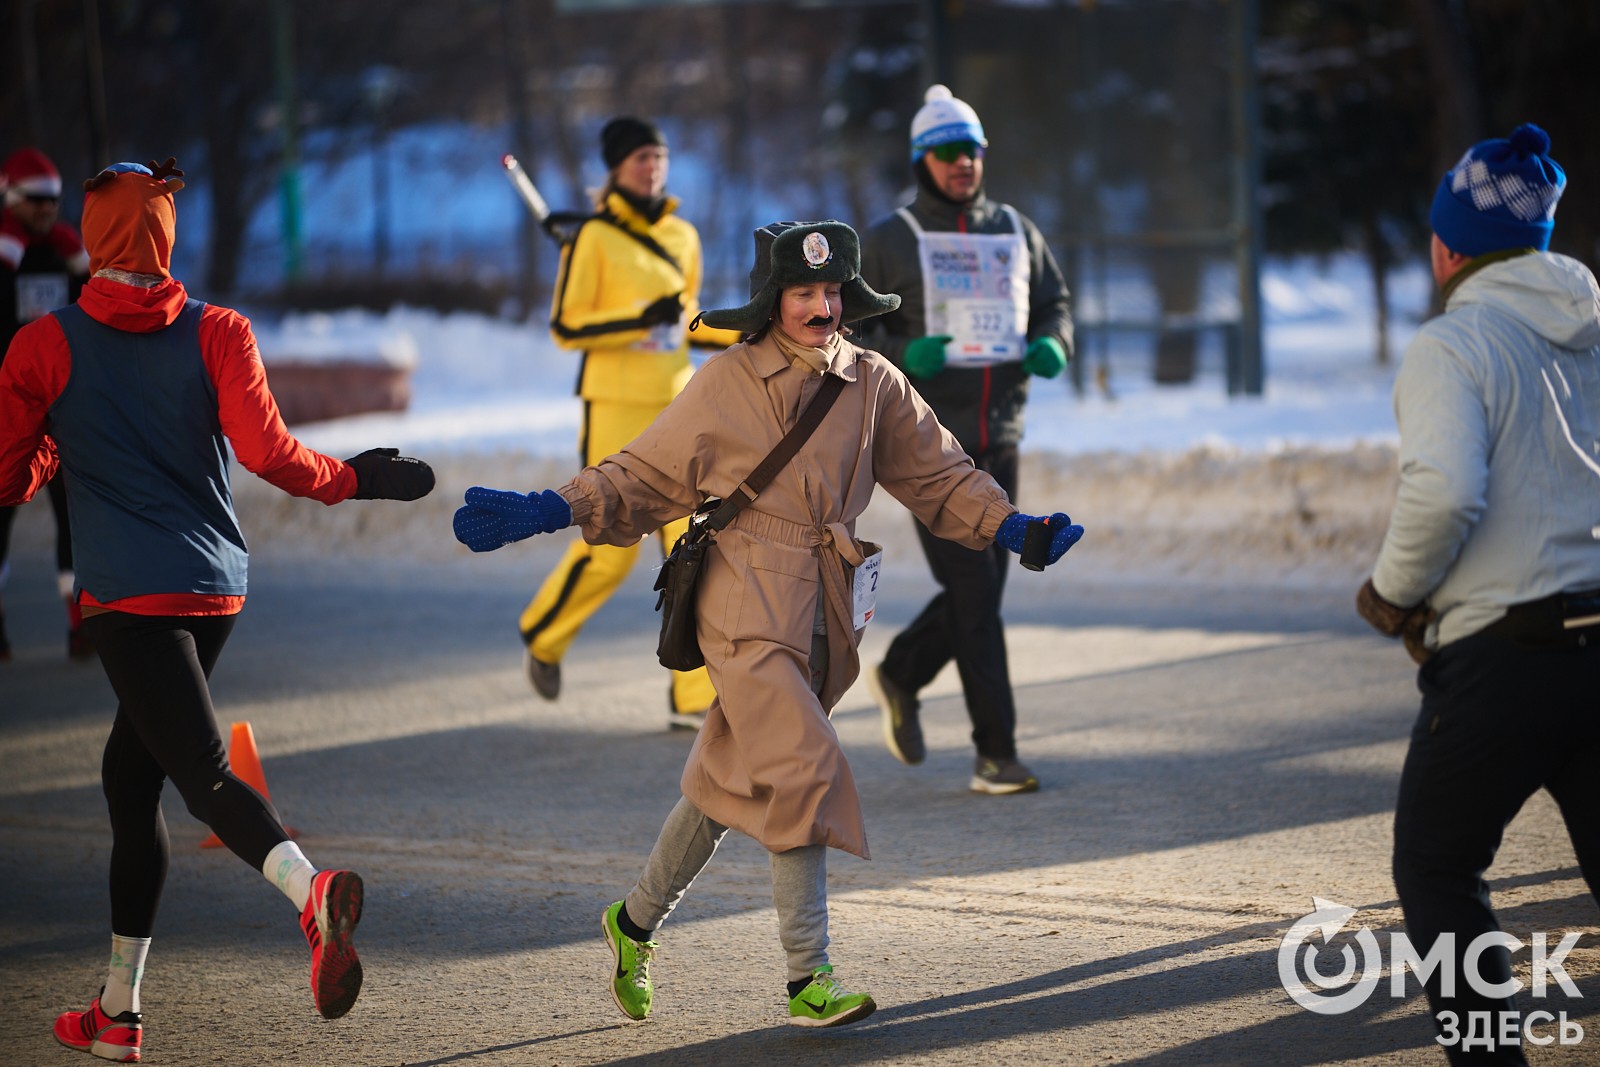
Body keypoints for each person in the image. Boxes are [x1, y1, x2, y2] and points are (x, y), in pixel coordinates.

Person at [454, 220, 1085, 1028]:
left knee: (731, 779)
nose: (821, 307)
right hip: (744, 595)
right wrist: (551, 507)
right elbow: (645, 473)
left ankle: (632, 922)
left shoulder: (873, 381)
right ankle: (807, 976)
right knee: (802, 766)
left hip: (826, 599)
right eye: (803, 293)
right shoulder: (728, 379)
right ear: (773, 302)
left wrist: (1012, 527)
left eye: (832, 291)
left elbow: (941, 473)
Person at [0, 159, 436, 1063]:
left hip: (127, 597)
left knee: (198, 771)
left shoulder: (43, 345)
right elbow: (269, 454)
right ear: (165, 236)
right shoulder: (219, 329)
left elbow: (6, 475)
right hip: (214, 587)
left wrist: (54, 449)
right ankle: (117, 1010)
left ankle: (312, 896)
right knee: (130, 778)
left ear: (91, 234)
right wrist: (358, 477)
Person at [1356, 124, 1600, 1066]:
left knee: (1437, 864)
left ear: (1447, 247)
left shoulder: (1453, 344)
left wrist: (1392, 592)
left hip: (1508, 658)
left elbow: (1447, 491)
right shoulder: (1592, 328)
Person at [858, 84, 1074, 794]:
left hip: (1000, 435)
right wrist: (903, 351)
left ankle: (902, 672)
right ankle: (996, 754)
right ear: (922, 160)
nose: (964, 163)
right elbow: (845, 332)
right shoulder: (890, 239)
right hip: (928, 447)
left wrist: (1054, 342)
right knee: (976, 596)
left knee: (978, 591)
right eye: (949, 152)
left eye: (973, 151)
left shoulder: (1014, 229)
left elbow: (1055, 303)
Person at [516, 115, 740, 728]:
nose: (652, 167)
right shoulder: (592, 237)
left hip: (675, 406)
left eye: (659, 157)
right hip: (613, 406)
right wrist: (640, 319)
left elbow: (687, 322)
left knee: (694, 547)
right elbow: (567, 325)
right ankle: (544, 632)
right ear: (617, 167)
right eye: (641, 157)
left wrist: (751, 332)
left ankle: (692, 698)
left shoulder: (683, 236)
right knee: (610, 547)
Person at [0, 147, 92, 660]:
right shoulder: (7, 252)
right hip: (7, 406)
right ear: (10, 197)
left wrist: (83, 265)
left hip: (58, 405)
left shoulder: (63, 252)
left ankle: (80, 625)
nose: (46, 208)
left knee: (71, 512)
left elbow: (91, 314)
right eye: (35, 198)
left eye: (53, 199)